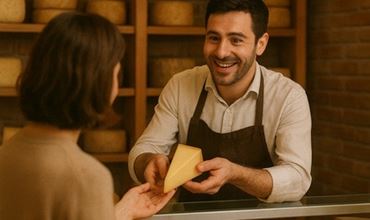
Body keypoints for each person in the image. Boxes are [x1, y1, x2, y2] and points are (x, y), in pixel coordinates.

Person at [128, 0, 311, 203]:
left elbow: (298, 180)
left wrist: (236, 174)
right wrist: (148, 162)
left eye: (236, 40)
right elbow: (143, 149)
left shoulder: (288, 96)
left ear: (261, 44)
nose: (222, 52)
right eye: (214, 38)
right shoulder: (180, 85)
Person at [0, 12, 175, 220]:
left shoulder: (8, 152)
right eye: (115, 73)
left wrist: (120, 213)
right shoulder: (85, 177)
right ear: (99, 83)